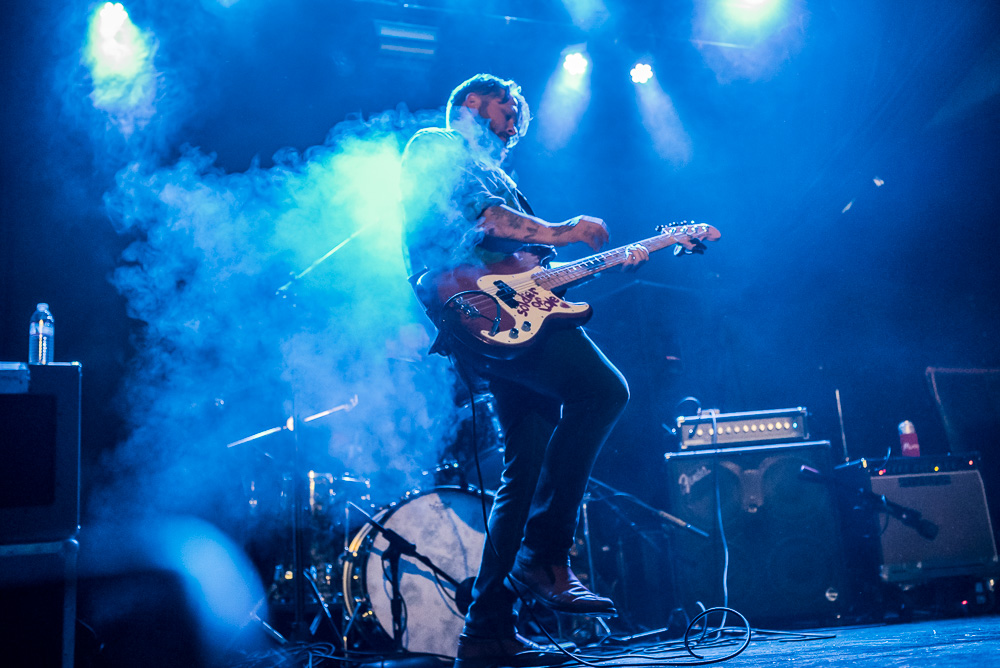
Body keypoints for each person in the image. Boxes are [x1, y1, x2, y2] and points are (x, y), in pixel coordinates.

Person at [400, 74, 698, 668]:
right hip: (473, 303)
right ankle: (544, 555)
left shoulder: (502, 176)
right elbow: (480, 217)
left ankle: (486, 634)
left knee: (525, 463)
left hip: (510, 314)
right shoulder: (437, 145)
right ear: (472, 103)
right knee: (603, 390)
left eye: (517, 123)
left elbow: (534, 277)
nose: (513, 130)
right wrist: (567, 230)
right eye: (507, 114)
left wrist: (617, 262)